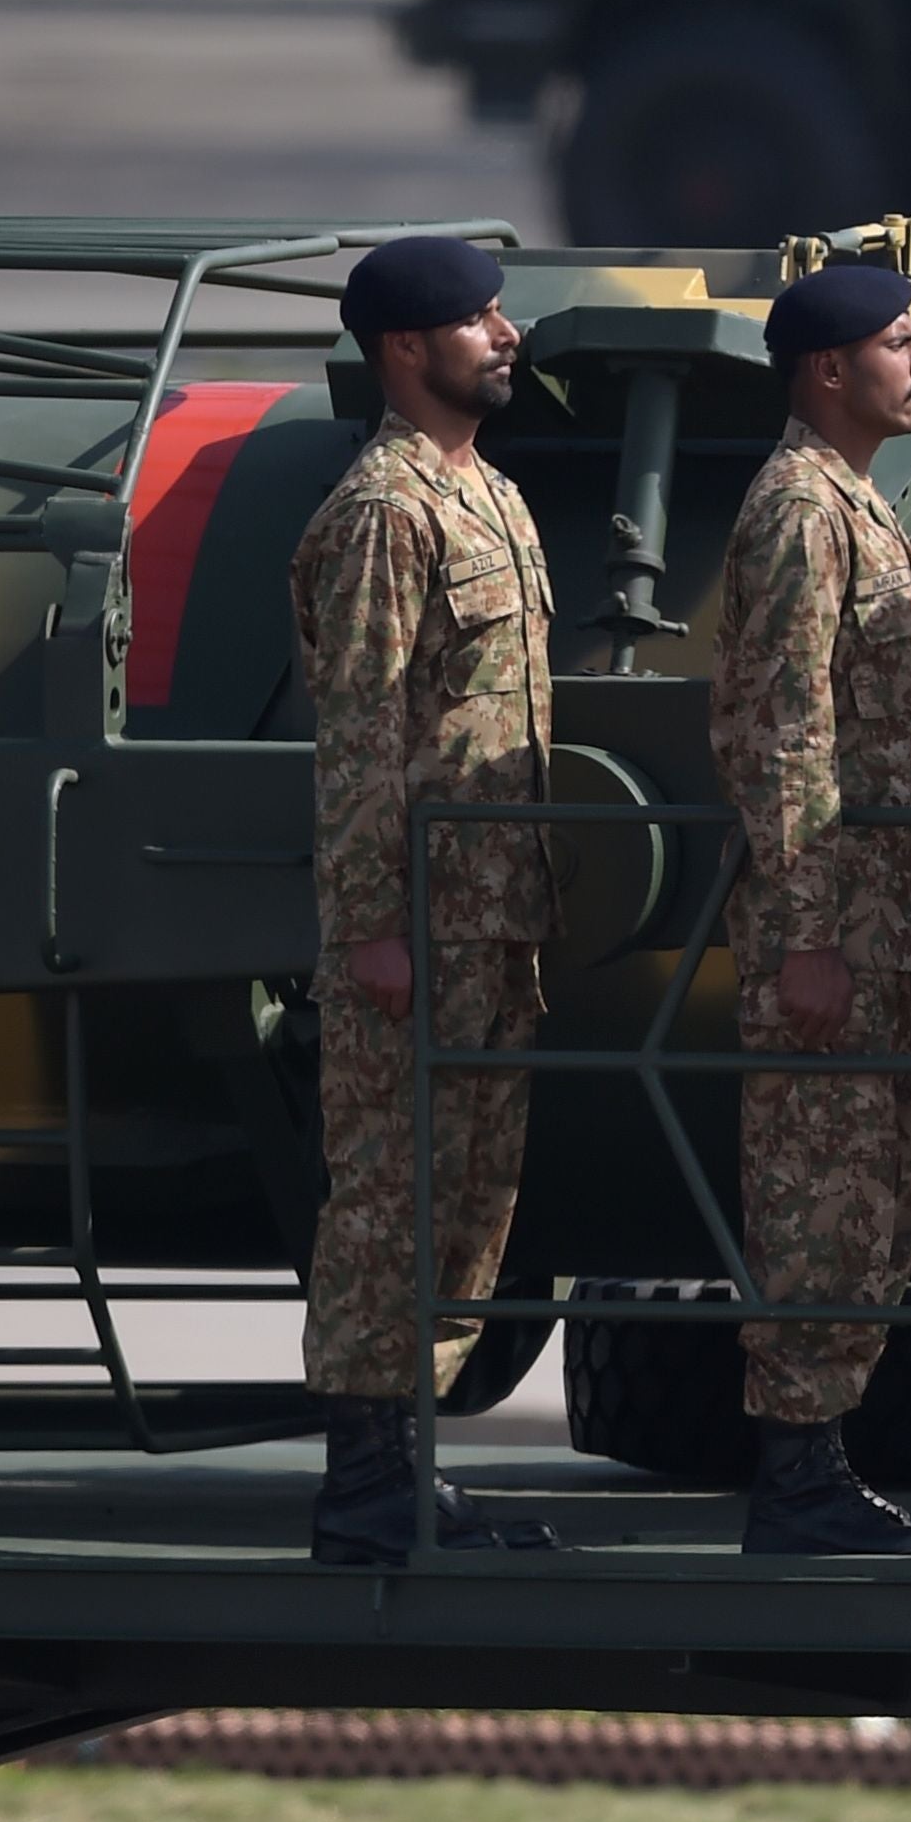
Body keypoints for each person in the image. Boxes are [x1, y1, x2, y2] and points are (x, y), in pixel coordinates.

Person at [290, 232, 565, 1564]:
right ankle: (363, 1480)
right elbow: (360, 736)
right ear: (408, 350)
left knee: (466, 1196)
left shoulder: (491, 498)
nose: (505, 336)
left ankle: (411, 1467)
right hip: (417, 923)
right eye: (479, 320)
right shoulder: (384, 514)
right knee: (391, 1195)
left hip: (499, 919)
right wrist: (377, 923)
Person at [711, 261, 911, 1560]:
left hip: (885, 930)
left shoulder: (854, 506)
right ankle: (799, 1478)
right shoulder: (802, 513)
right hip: (835, 933)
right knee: (822, 1195)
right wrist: (809, 930)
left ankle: (820, 1465)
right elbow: (783, 730)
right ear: (829, 370)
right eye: (899, 344)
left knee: (877, 1198)